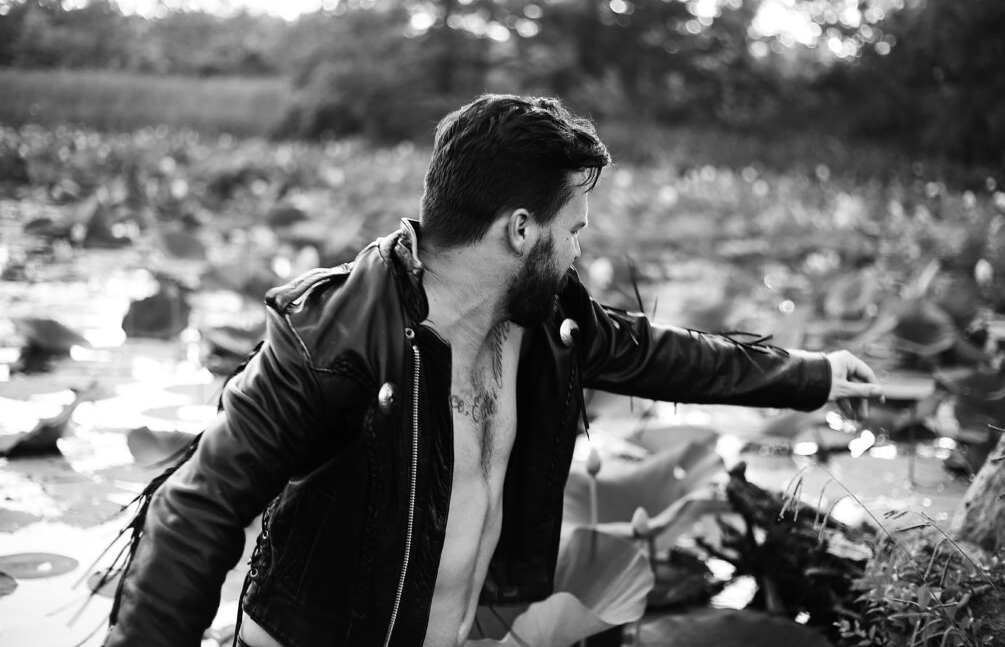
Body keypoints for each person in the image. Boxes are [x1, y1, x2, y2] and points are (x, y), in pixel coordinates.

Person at [102, 94, 881, 647]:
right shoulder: (333, 337)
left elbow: (661, 353)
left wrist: (810, 374)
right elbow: (195, 509)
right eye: (572, 229)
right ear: (518, 230)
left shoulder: (543, 322)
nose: (580, 247)